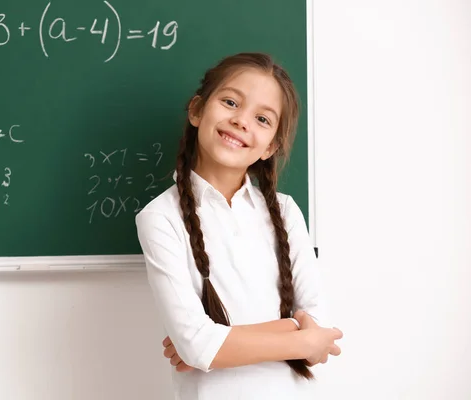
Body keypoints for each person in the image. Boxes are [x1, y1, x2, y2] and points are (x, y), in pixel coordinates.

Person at [135, 52, 343, 399]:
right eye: (231, 102)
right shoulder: (160, 218)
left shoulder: (286, 212)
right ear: (197, 110)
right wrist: (299, 335)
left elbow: (321, 330)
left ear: (270, 147)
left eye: (262, 118)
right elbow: (198, 347)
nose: (242, 121)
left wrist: (220, 346)